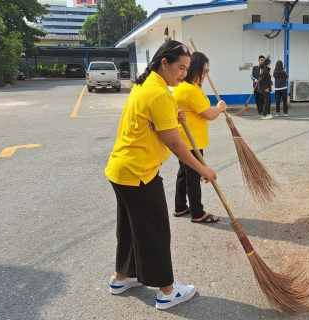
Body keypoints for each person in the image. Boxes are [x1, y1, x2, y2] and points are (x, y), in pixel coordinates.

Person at [104, 40, 217, 310]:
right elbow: (175, 143)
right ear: (163, 63)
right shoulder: (159, 94)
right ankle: (167, 291)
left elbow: (152, 122)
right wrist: (203, 168)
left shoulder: (147, 86)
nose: (184, 74)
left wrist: (171, 116)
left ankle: (122, 278)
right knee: (155, 231)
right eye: (180, 68)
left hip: (121, 170)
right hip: (138, 173)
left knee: (131, 228)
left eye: (187, 69)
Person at [172, 52, 227, 223]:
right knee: (194, 176)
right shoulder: (190, 90)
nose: (205, 75)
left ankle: (180, 206)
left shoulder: (181, 87)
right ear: (193, 69)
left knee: (184, 174)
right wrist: (219, 108)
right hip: (192, 141)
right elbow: (209, 114)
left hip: (184, 139)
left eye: (207, 71)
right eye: (203, 71)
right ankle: (197, 213)